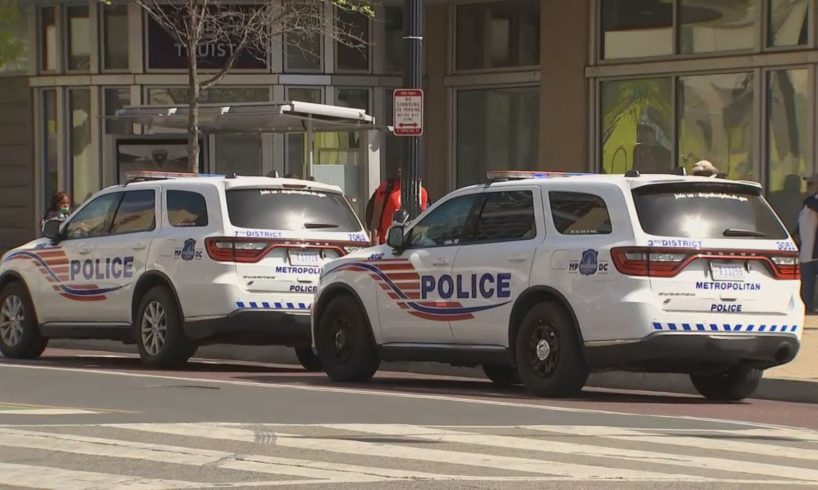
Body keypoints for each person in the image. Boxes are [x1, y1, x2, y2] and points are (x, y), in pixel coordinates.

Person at [365, 168, 429, 244]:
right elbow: (376, 218)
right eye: (399, 166)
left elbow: (422, 220)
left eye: (403, 166)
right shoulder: (387, 186)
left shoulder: (422, 192)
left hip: (410, 244)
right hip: (385, 243)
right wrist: (374, 243)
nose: (399, 169)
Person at [797, 174, 818, 314]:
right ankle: (807, 308)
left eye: (811, 184)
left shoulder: (811, 201)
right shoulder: (808, 203)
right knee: (806, 284)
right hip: (806, 251)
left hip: (813, 253)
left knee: (808, 285)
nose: (808, 187)